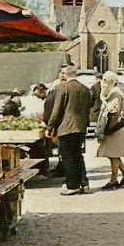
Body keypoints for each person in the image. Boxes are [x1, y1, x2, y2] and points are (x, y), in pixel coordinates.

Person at [46, 65, 92, 195]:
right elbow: (90, 106)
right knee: (77, 156)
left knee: (68, 158)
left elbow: (57, 110)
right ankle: (84, 183)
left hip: (66, 128)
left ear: (66, 75)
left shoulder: (63, 87)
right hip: (81, 127)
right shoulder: (85, 89)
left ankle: (73, 186)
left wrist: (50, 126)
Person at [96, 71, 124, 189]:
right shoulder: (113, 93)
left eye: (106, 81)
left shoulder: (116, 94)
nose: (103, 83)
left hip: (115, 128)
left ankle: (114, 179)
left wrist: (103, 100)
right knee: (112, 153)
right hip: (114, 128)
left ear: (112, 82)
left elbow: (113, 110)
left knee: (113, 153)